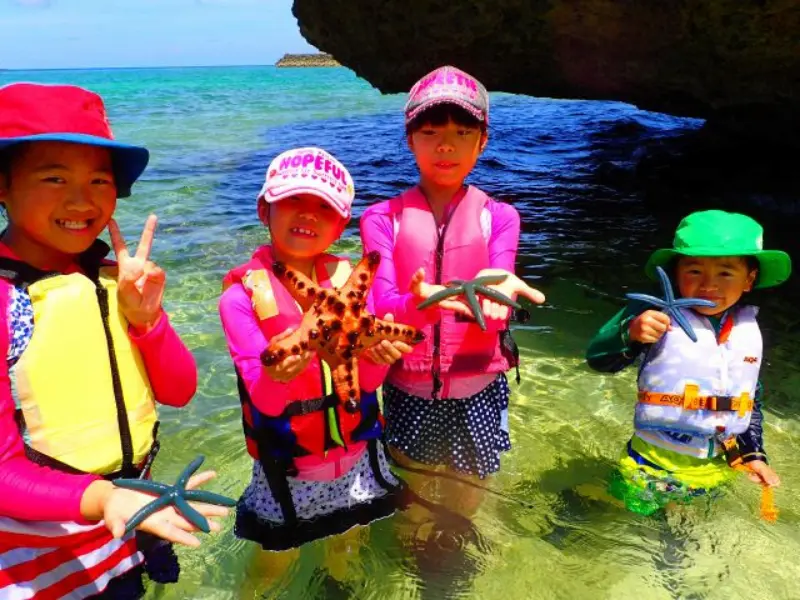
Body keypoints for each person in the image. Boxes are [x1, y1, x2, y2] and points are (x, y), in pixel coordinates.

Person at [0, 82, 227, 599]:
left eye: (99, 180)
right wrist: (105, 498)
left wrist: (147, 320)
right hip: (44, 553)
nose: (82, 200)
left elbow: (180, 391)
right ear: (2, 185)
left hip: (139, 511)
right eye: (54, 177)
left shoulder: (116, 279)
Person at [360, 65, 544, 531]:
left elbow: (499, 270)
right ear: (410, 139)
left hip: (478, 387)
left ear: (483, 141)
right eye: (430, 131)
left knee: (469, 485)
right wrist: (422, 303)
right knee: (411, 483)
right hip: (407, 386)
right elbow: (380, 305)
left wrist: (499, 281)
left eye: (463, 131)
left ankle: (457, 540)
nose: (446, 145)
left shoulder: (501, 217)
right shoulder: (381, 219)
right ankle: (416, 541)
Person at [219, 147, 413, 566]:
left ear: (341, 223)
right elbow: (266, 401)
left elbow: (368, 383)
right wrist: (280, 373)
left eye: (322, 207)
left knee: (347, 551)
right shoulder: (241, 299)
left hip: (359, 458)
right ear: (263, 210)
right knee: (272, 567)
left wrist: (380, 355)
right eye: (293, 201)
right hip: (289, 472)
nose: (307, 215)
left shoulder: (354, 288)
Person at [586, 209, 791, 516]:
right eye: (694, 271)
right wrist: (630, 334)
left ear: (749, 280)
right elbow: (598, 359)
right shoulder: (654, 317)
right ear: (674, 274)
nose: (709, 285)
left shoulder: (745, 333)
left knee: (679, 549)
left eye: (725, 273)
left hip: (714, 470)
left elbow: (749, 402)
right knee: (618, 519)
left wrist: (753, 455)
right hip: (651, 463)